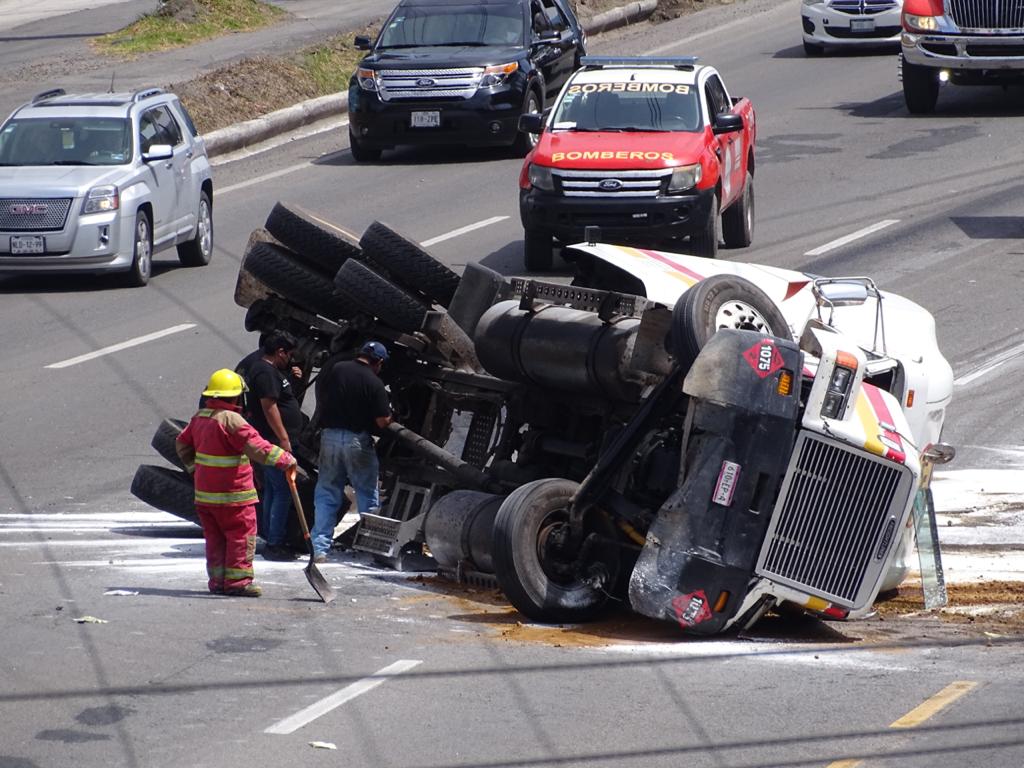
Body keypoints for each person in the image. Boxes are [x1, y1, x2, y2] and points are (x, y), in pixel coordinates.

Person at [175, 368, 296, 597]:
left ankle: (218, 581)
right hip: (234, 495)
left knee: (215, 539)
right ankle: (238, 582)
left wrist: (194, 469)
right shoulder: (232, 420)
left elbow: (181, 444)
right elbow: (257, 447)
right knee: (240, 536)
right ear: (236, 396)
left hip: (205, 496)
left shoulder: (200, 418)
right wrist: (285, 459)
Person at [311, 341, 393, 562]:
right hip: (357, 441)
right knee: (367, 495)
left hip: (329, 437)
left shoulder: (338, 369)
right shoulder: (374, 383)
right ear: (379, 362)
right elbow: (383, 422)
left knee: (327, 492)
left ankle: (319, 549)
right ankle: (371, 549)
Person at [236, 330, 304, 562]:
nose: (291, 359)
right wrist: (283, 439)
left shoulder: (271, 371)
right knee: (281, 491)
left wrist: (291, 377)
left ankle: (270, 537)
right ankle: (274, 543)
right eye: (289, 354)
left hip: (272, 440)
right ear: (280, 352)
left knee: (274, 490)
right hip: (274, 442)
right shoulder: (264, 372)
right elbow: (269, 407)